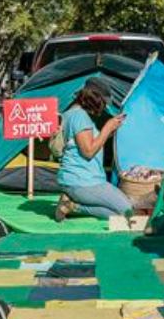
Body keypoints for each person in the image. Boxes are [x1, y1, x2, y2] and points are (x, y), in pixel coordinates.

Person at [55, 81, 133, 221]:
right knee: (128, 213)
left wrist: (111, 131)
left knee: (118, 215)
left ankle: (70, 204)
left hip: (76, 180)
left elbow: (90, 142)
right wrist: (107, 127)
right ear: (94, 99)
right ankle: (73, 206)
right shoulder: (80, 117)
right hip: (84, 182)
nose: (104, 106)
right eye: (103, 102)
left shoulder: (69, 114)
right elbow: (88, 151)